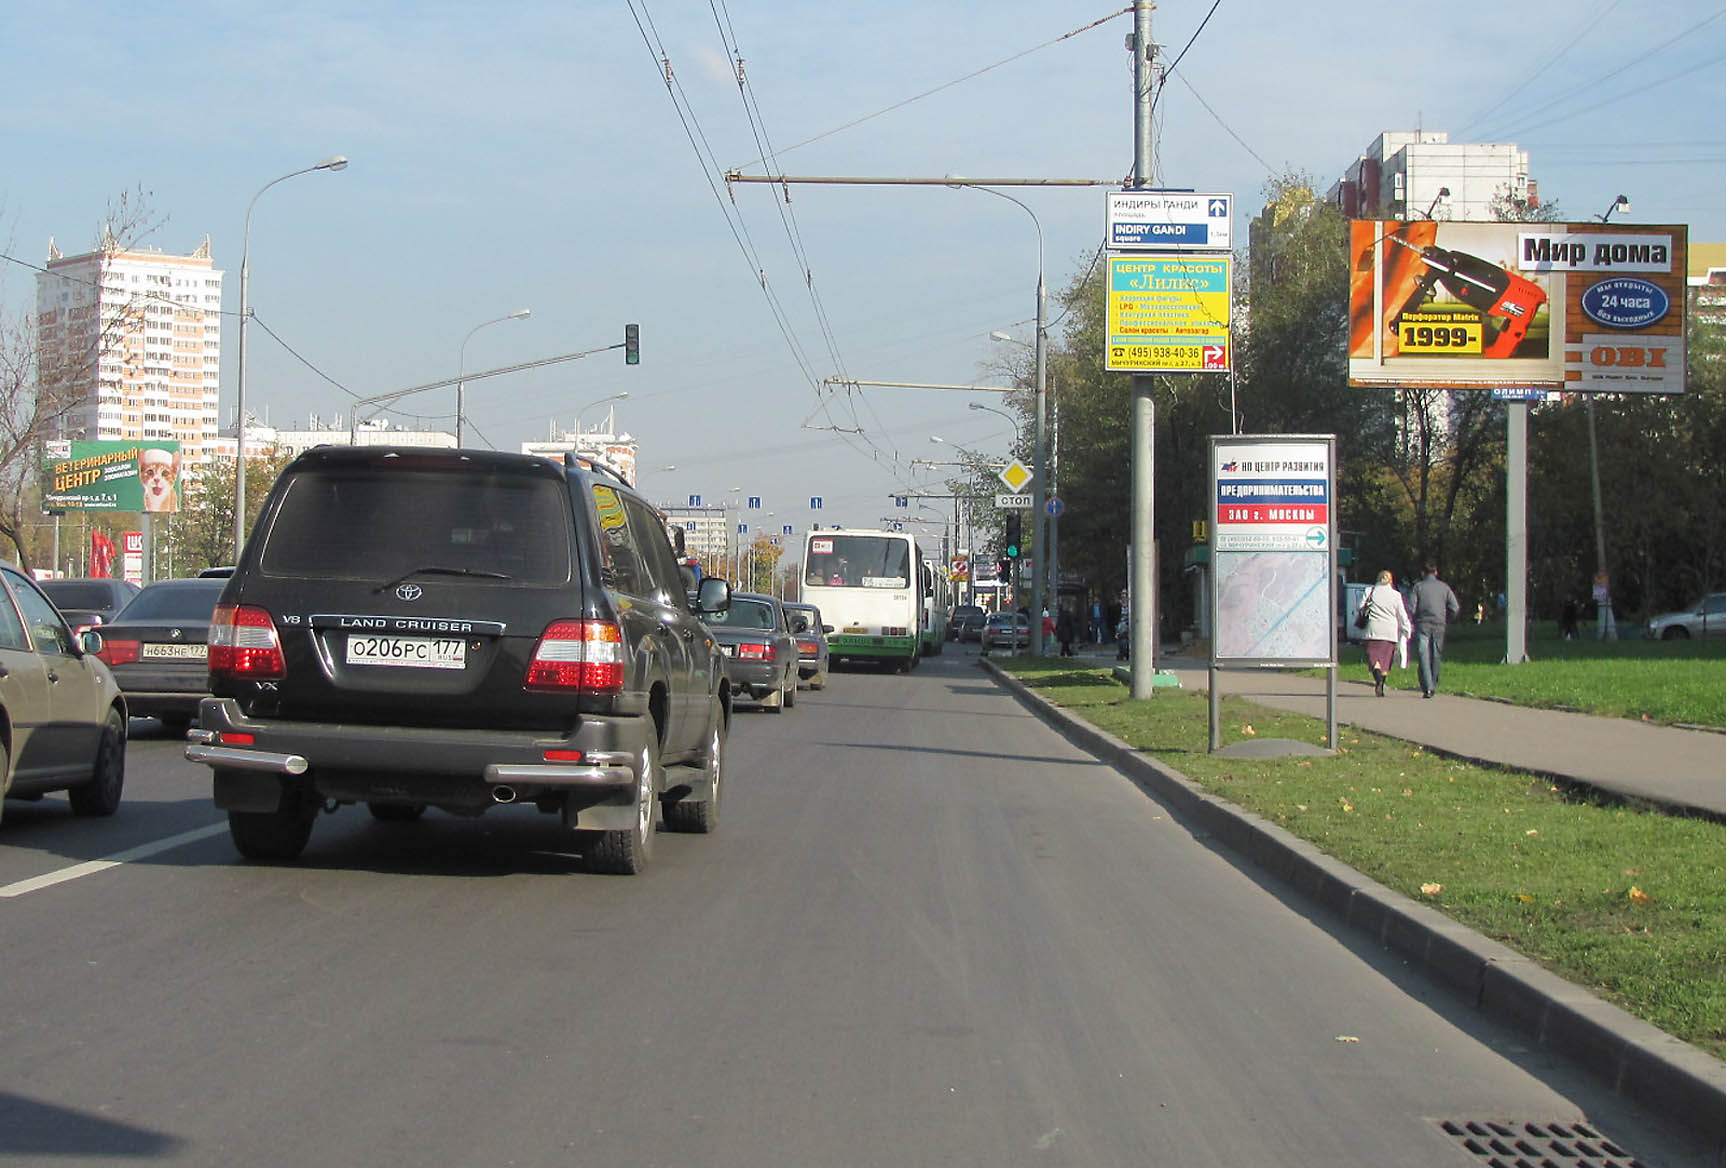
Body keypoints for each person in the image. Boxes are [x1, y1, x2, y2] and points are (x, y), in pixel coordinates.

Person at [1410, 561, 1461, 698]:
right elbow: (1455, 607)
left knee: (1423, 654)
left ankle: (1428, 686)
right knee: (1436, 654)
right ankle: (1433, 682)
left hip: (1423, 624)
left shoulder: (1418, 587)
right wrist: (1447, 618)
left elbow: (1411, 608)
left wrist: (1413, 620)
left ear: (1422, 573)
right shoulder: (1444, 588)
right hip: (1439, 624)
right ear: (1436, 572)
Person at [1359, 569, 1412, 697]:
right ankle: (1381, 683)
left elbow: (1360, 607)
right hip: (1389, 632)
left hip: (1373, 630)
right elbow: (1401, 614)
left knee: (1373, 657)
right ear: (1391, 581)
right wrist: (1407, 629)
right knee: (1386, 660)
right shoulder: (1396, 595)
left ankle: (1377, 679)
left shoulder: (1370, 591)